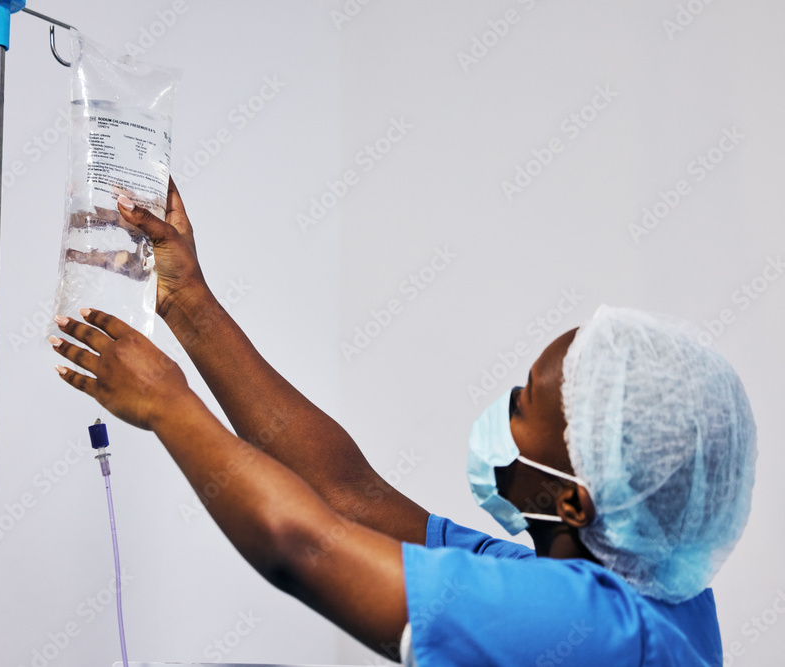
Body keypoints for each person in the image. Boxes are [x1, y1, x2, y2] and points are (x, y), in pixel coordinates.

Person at [49, 180, 757, 666]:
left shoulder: (593, 627)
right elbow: (348, 494)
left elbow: (302, 546)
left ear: (571, 499)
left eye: (520, 406)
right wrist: (188, 302)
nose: (502, 416)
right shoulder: (639, 588)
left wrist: (168, 405)